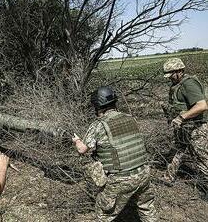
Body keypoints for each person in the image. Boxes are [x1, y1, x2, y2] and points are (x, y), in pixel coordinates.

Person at [72, 86, 157, 222]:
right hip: (144, 173)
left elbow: (82, 150)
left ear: (97, 106)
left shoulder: (98, 125)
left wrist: (76, 140)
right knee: (147, 208)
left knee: (104, 213)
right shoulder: (130, 118)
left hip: (121, 178)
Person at [161, 58, 208, 186]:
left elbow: (202, 105)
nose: (170, 78)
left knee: (202, 159)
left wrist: (182, 117)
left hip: (197, 127)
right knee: (177, 150)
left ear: (180, 71)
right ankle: (168, 177)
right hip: (184, 127)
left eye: (171, 75)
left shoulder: (189, 84)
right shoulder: (177, 85)